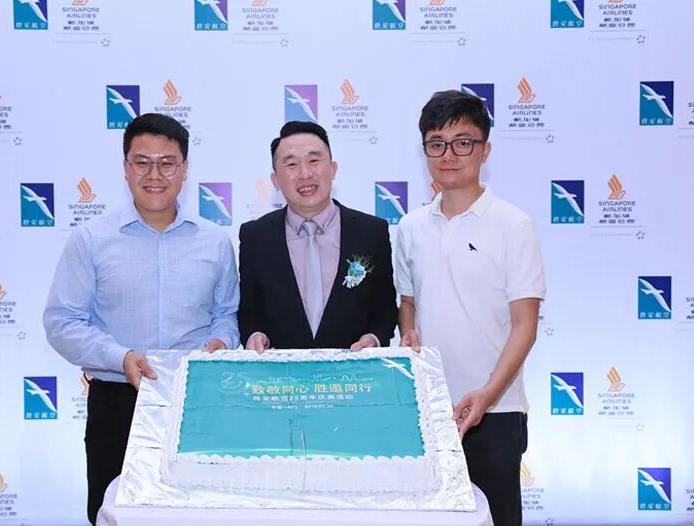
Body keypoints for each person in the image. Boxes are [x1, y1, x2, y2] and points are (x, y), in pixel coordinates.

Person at [43, 113, 239, 525]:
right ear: (125, 167)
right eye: (142, 162)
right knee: (116, 514)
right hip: (118, 402)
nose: (154, 175)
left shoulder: (216, 242)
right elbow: (62, 322)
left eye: (167, 163)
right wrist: (120, 357)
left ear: (184, 169)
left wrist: (221, 343)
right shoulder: (91, 240)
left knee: (198, 515)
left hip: (196, 405)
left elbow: (226, 315)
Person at [394, 90, 545, 526]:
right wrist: (408, 331)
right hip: (429, 414)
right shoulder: (410, 227)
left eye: (463, 142)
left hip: (496, 412)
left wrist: (487, 395)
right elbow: (408, 302)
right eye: (436, 143)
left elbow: (525, 325)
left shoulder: (514, 225)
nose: (449, 155)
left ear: (485, 149)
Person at [238, 120, 398, 351]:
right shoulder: (255, 237)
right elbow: (249, 310)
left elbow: (385, 309)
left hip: (352, 369)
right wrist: (255, 334)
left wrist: (374, 338)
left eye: (314, 161)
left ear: (333, 169)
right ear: (276, 181)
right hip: (282, 371)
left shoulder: (372, 232)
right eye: (291, 164)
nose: (305, 173)